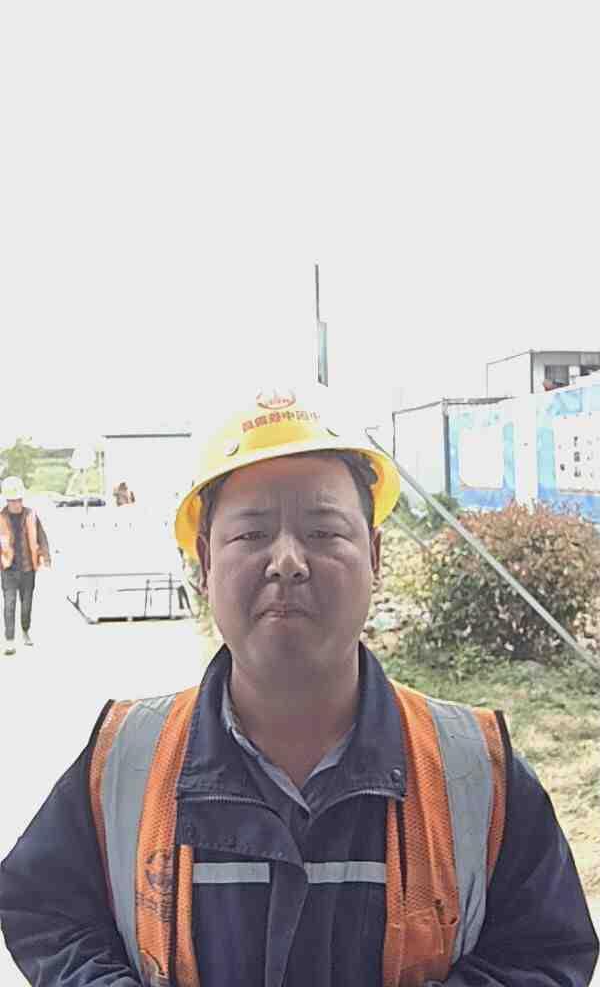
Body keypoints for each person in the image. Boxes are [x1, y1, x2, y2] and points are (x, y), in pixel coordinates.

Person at [0, 391, 597, 987]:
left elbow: (543, 952)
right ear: (204, 562)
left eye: (323, 531)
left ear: (374, 554)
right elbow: (45, 910)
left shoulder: (474, 770)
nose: (287, 561)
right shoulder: (126, 759)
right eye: (252, 534)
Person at [0, 475, 51, 656]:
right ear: (7, 500)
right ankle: (9, 641)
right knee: (9, 605)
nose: (17, 504)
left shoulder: (31, 515)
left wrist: (46, 557)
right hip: (8, 569)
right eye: (13, 500)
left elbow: (42, 537)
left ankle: (25, 630)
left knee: (26, 605)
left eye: (19, 500)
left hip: (28, 569)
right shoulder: (1, 518)